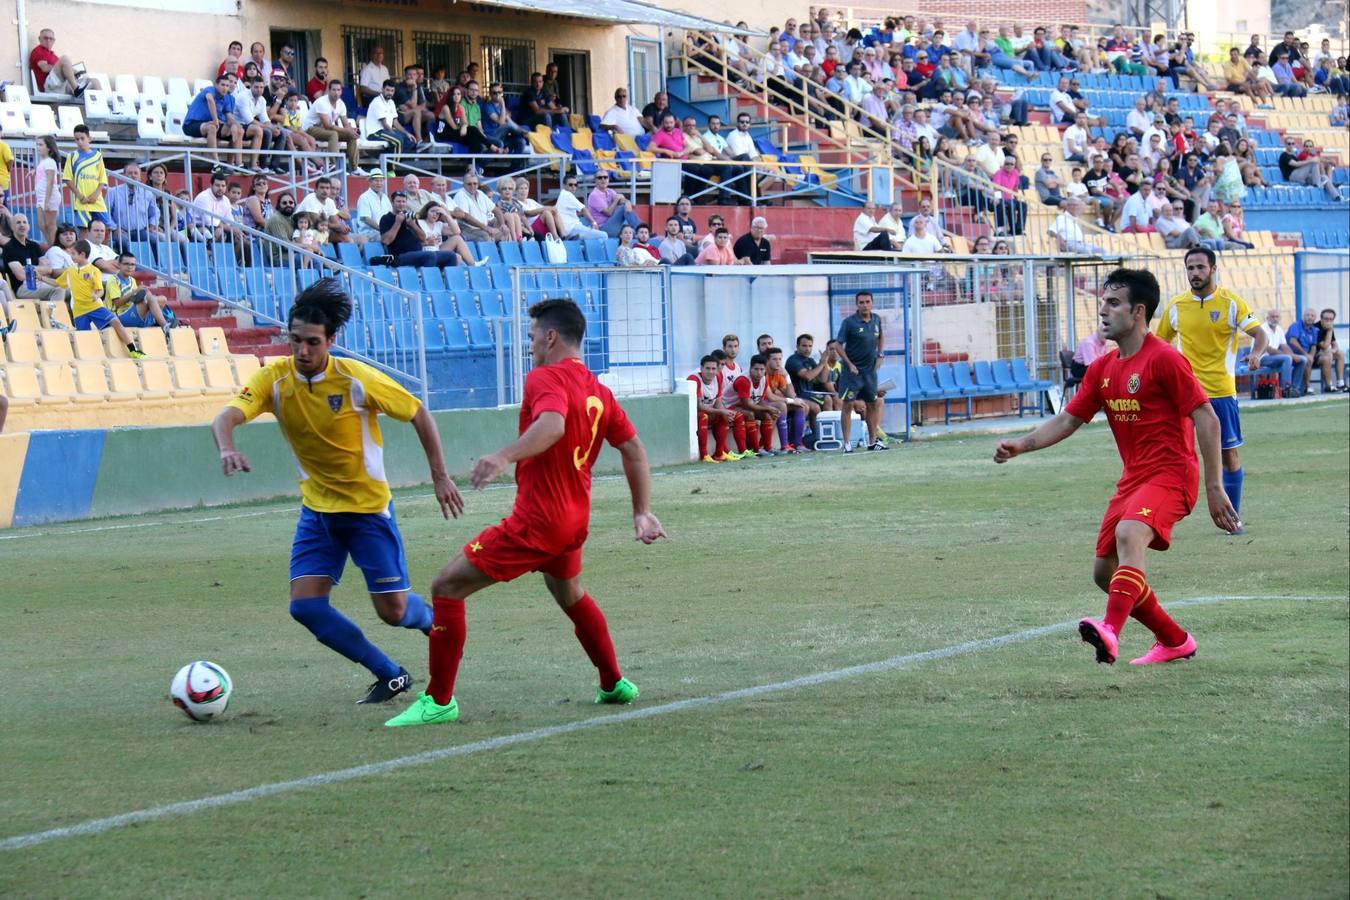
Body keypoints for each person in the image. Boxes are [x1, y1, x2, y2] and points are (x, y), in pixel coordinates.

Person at [386, 298, 665, 726]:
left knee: (446, 586)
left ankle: (438, 700)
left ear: (550, 337)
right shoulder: (598, 389)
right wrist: (641, 511)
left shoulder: (544, 377)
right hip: (574, 521)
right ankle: (613, 683)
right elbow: (633, 448)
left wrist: (504, 455)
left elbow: (552, 425)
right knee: (571, 594)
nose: (531, 343)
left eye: (533, 335)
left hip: (540, 521)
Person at [213, 278, 462, 704]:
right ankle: (390, 674)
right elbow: (226, 416)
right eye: (295, 341)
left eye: (312, 342)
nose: (302, 351)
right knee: (305, 606)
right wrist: (227, 447)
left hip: (367, 512)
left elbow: (419, 413)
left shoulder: (355, 379)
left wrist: (439, 476)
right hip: (319, 513)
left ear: (330, 340)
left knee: (394, 612)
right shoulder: (274, 380)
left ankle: (435, 617)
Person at [995, 267, 1237, 665]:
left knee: (1130, 534)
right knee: (1103, 573)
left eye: (1113, 304)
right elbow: (1068, 419)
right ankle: (1175, 640)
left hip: (1172, 475)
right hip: (1133, 481)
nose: (1103, 312)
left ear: (1138, 311)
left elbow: (1207, 418)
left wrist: (1214, 487)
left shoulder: (1165, 360)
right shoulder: (1103, 369)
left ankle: (1110, 630)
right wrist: (1022, 445)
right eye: (1102, 303)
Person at [1155, 248, 1267, 528]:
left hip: (1220, 392)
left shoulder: (1231, 303)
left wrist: (1256, 354)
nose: (1194, 273)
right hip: (1184, 395)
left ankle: (1233, 517)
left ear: (1213, 269)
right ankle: (1160, 516)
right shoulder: (1177, 306)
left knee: (1228, 455)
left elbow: (1259, 333)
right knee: (1173, 455)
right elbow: (1158, 344)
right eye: (1190, 268)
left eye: (1200, 267)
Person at [47, 239, 146, 357]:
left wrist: (96, 296)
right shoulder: (70, 271)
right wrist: (41, 278)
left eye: (73, 253)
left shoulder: (94, 271)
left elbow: (100, 290)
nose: (71, 256)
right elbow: (57, 283)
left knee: (116, 322)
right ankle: (90, 359)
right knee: (85, 338)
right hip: (78, 310)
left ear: (82, 255)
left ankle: (133, 349)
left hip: (95, 306)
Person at [835, 290, 886, 452]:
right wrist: (849, 364)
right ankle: (847, 443)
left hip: (869, 371)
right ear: (856, 304)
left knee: (873, 403)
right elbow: (837, 345)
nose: (865, 305)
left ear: (872, 303)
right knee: (848, 405)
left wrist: (880, 354)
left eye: (867, 302)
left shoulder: (876, 319)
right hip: (853, 372)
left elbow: (881, 337)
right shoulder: (849, 322)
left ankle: (872, 441)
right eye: (861, 302)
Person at [380, 191, 459, 268]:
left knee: (451, 256)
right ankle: (429, 280)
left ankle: (443, 280)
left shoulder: (410, 216)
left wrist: (413, 225)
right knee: (430, 255)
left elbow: (423, 238)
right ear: (392, 202)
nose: (401, 204)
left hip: (418, 253)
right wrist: (397, 223)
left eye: (403, 201)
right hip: (399, 256)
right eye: (398, 201)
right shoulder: (386, 218)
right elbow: (386, 241)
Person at [3, 213, 67, 307]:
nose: (22, 225)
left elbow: (49, 269)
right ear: (12, 227)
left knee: (72, 290)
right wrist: (39, 269)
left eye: (25, 222)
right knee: (58, 290)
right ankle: (53, 320)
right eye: (18, 223)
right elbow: (21, 276)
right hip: (23, 287)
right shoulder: (9, 248)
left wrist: (29, 268)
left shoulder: (34, 245)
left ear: (28, 226)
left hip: (41, 282)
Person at [183, 75, 246, 168]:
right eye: (222, 85)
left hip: (210, 124)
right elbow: (210, 100)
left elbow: (229, 116)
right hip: (191, 124)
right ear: (216, 85)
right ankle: (216, 164)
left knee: (238, 130)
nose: (225, 88)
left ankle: (238, 165)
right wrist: (215, 120)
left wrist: (235, 125)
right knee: (212, 128)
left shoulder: (227, 98)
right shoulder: (210, 90)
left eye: (227, 86)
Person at [304, 80, 362, 174]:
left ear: (341, 91)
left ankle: (354, 168)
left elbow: (345, 124)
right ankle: (335, 166)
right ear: (329, 91)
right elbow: (327, 125)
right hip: (310, 128)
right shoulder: (322, 102)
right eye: (334, 90)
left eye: (338, 90)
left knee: (351, 136)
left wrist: (352, 131)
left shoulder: (341, 104)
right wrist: (346, 130)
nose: (336, 92)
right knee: (333, 134)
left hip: (323, 129)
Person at [106, 251, 171, 332]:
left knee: (162, 299)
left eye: (132, 264)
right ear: (119, 265)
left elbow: (135, 298)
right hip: (119, 317)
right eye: (126, 264)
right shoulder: (113, 280)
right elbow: (117, 303)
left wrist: (143, 292)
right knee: (150, 299)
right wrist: (135, 292)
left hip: (132, 312)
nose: (130, 267)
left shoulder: (132, 280)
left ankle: (156, 322)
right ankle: (165, 326)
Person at [61, 125, 110, 233]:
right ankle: (85, 250)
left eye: (82, 138)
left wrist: (96, 194)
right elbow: (68, 179)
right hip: (81, 201)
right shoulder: (72, 156)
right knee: (84, 230)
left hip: (97, 200)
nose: (80, 142)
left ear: (89, 138)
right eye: (77, 139)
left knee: (106, 228)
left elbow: (102, 178)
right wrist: (79, 195)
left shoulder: (98, 156)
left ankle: (102, 250)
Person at [689, 354, 737, 462]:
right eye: (707, 368)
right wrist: (721, 411)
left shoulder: (718, 377)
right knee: (703, 416)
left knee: (724, 416)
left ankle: (719, 453)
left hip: (710, 412)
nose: (711, 371)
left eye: (713, 368)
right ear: (701, 368)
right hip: (693, 416)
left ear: (717, 369)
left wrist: (724, 412)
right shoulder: (694, 379)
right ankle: (704, 455)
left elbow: (718, 400)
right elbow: (699, 406)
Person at [1256, 309, 1304, 398]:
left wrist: (1293, 355)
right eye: (1272, 316)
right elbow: (1268, 349)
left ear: (1280, 318)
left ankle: (1295, 388)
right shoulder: (1262, 329)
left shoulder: (1279, 329)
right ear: (1267, 318)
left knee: (1302, 359)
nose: (1275, 319)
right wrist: (1288, 356)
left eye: (1277, 316)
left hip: (1275, 358)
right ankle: (1286, 389)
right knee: (1287, 358)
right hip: (1261, 358)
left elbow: (1285, 346)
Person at [28, 28, 87, 95]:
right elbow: (45, 68)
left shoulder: (53, 56)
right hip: (48, 87)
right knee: (65, 59)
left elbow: (61, 70)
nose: (48, 40)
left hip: (60, 85)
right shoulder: (38, 51)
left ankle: (94, 101)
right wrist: (65, 68)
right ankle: (76, 90)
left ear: (54, 41)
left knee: (93, 82)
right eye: (45, 38)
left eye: (51, 38)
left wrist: (73, 72)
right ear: (39, 39)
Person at [366, 79, 416, 153]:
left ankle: (398, 161)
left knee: (410, 141)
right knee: (398, 140)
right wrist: (394, 133)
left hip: (386, 132)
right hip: (376, 133)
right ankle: (394, 164)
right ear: (382, 89)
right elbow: (385, 124)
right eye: (387, 90)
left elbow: (395, 123)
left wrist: (407, 133)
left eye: (392, 91)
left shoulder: (391, 102)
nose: (390, 93)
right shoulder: (377, 102)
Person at [586, 172, 640, 238]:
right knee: (623, 208)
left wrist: (627, 202)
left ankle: (641, 231)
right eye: (600, 178)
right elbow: (608, 213)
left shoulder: (610, 191)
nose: (603, 179)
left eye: (605, 177)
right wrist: (617, 200)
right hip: (603, 229)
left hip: (614, 225)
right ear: (595, 180)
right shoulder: (594, 195)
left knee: (633, 233)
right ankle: (641, 229)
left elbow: (622, 200)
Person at [1313, 308, 1347, 392]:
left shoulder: (1329, 328)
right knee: (1328, 356)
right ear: (1321, 318)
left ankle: (1340, 384)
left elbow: (1335, 344)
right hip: (1313, 356)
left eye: (1331, 319)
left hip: (1323, 354)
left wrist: (1333, 350)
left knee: (1340, 353)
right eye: (1326, 319)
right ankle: (1329, 385)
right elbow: (1324, 346)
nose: (1328, 321)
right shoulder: (1316, 328)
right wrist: (1330, 331)